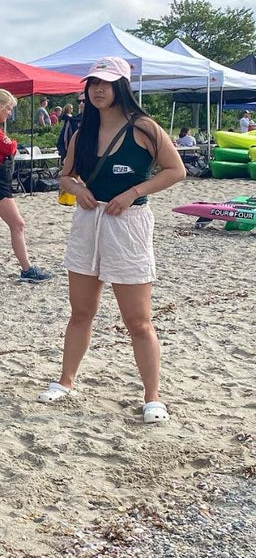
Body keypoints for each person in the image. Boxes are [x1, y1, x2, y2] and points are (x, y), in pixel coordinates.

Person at [36, 56, 185, 423]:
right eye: (92, 83)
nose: (98, 89)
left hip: (129, 222)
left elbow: (175, 170)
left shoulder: (145, 128)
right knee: (81, 311)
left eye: (105, 82)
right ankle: (66, 381)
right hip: (90, 220)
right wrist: (77, 189)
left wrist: (134, 192)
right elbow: (66, 175)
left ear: (121, 86)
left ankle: (153, 396)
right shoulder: (81, 131)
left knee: (138, 320)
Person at [0, 88, 52, 284]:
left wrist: (11, 143)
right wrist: (13, 143)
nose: (9, 114)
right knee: (18, 224)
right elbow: (9, 147)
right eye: (8, 109)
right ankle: (27, 269)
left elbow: (8, 147)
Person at [57, 92, 85, 162]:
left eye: (84, 101)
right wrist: (66, 156)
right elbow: (63, 141)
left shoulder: (101, 119)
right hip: (76, 159)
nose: (81, 104)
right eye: (79, 102)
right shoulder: (72, 121)